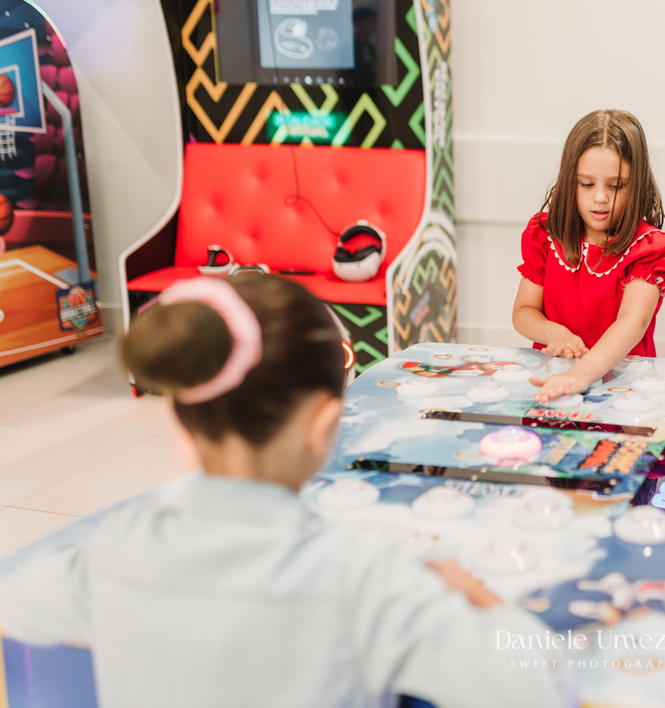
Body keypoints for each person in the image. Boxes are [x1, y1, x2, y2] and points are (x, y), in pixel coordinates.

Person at [0, 274, 566, 708]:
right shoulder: (359, 576)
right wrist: (482, 599)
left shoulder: (117, 546)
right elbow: (535, 688)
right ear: (323, 425)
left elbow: (19, 601)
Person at [513, 109, 665, 403]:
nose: (600, 197)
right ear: (570, 182)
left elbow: (634, 321)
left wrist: (581, 374)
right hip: (554, 384)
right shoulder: (545, 235)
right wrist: (553, 333)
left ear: (637, 184)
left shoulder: (649, 249)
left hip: (625, 395)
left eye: (616, 186)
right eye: (587, 184)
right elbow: (523, 312)